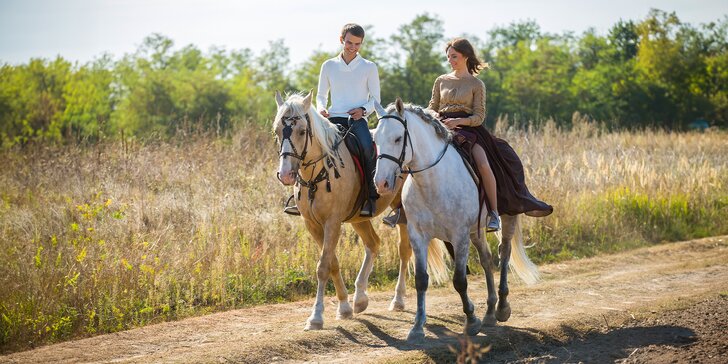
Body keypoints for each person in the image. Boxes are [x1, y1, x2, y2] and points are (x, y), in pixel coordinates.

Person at [426, 37, 553, 231]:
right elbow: (431, 107)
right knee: (414, 153)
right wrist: (435, 115)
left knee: (484, 164)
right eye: (448, 56)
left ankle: (493, 214)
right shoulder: (441, 80)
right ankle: (404, 208)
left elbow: (479, 116)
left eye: (454, 56)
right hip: (441, 126)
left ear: (466, 57)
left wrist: (459, 121)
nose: (450, 60)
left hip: (468, 130)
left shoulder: (476, 84)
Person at [284, 23, 381, 217]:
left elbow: (375, 100)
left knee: (367, 147)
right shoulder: (328, 66)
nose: (352, 47)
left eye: (357, 44)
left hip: (357, 120)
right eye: (349, 42)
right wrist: (321, 108)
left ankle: (370, 197)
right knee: (307, 146)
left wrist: (363, 110)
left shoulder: (369, 67)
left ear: (361, 44)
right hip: (332, 119)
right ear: (341, 40)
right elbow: (321, 95)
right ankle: (298, 196)